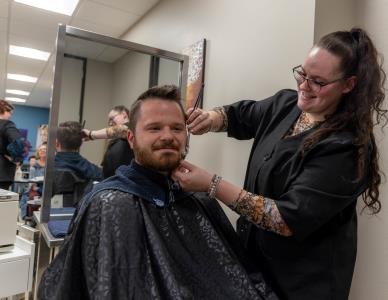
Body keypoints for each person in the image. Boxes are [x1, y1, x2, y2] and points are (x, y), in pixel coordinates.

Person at [172, 28, 386, 300]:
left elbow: (285, 218)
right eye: (302, 73)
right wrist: (211, 118)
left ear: (348, 84)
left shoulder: (346, 147)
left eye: (318, 81)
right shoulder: (286, 105)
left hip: (303, 284)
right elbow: (240, 115)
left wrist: (212, 184)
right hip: (256, 264)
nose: (304, 86)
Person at [38, 85, 278, 300]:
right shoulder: (109, 204)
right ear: (131, 139)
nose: (167, 136)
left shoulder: (202, 201)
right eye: (154, 128)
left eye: (176, 128)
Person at [84, 105, 134, 178]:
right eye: (109, 120)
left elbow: (121, 129)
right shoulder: (116, 139)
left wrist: (91, 134)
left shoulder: (132, 127)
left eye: (112, 118)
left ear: (124, 115)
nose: (110, 123)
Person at [0, 99, 24, 190]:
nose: (10, 116)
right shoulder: (7, 124)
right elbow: (18, 142)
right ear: (4, 110)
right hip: (2, 172)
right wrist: (15, 158)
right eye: (10, 113)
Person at [19, 143, 47, 219]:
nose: (42, 151)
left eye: (44, 149)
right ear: (38, 152)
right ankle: (27, 216)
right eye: (40, 149)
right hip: (38, 189)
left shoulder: (51, 165)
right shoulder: (34, 166)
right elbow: (32, 184)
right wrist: (37, 188)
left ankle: (27, 216)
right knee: (26, 195)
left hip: (49, 189)